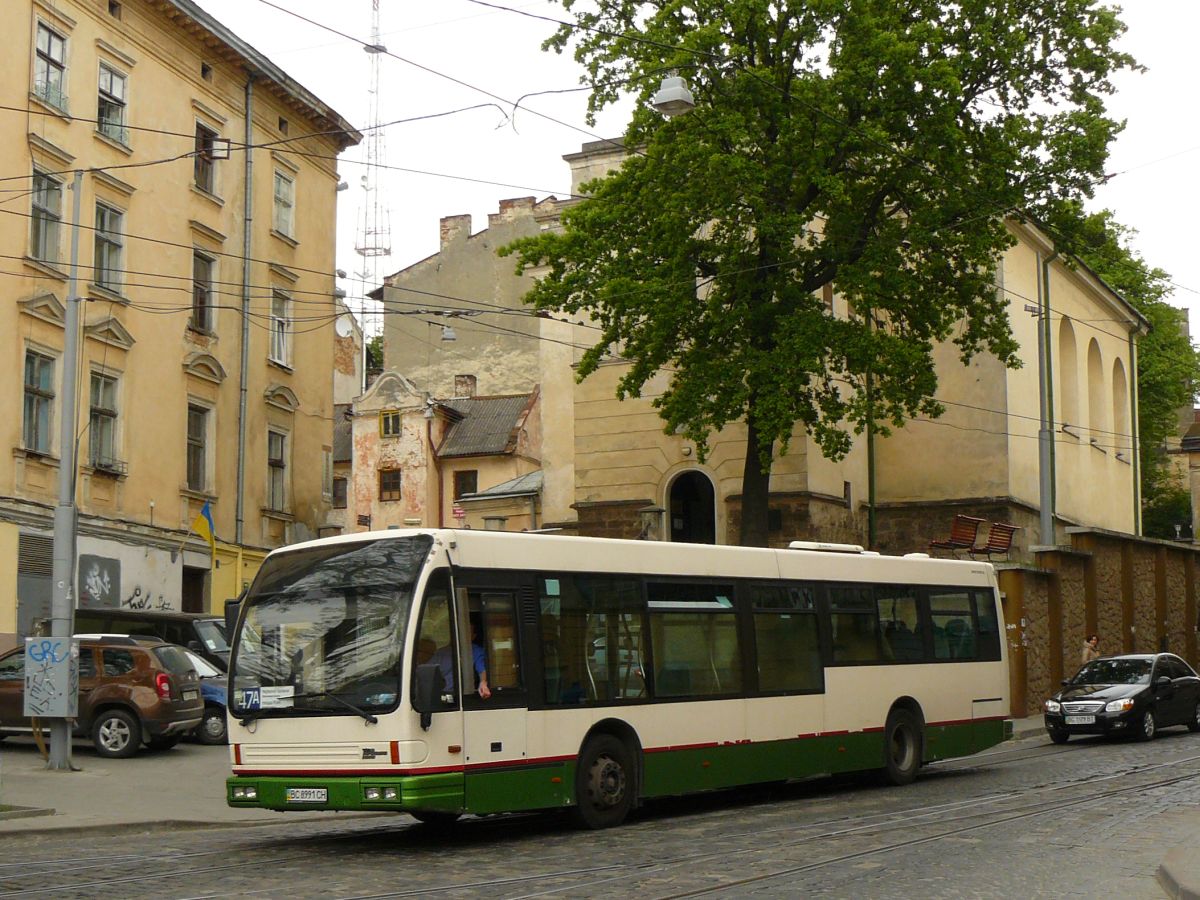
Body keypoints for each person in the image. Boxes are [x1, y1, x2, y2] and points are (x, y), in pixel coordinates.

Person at [429, 624, 491, 699]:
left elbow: (482, 669)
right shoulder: (441, 653)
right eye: (458, 632)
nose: (460, 636)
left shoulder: (476, 651)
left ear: (473, 636)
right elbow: (429, 672)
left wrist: (483, 682)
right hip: (442, 695)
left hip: (463, 696)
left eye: (466, 633)